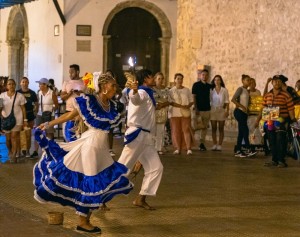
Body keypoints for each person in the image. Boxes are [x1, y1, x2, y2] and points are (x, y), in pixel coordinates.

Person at [33, 73, 133, 233]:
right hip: (91, 146)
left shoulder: (111, 105)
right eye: (113, 85)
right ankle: (82, 222)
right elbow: (71, 115)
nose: (116, 88)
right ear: (104, 86)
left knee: (98, 184)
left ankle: (86, 220)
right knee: (91, 183)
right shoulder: (90, 102)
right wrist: (48, 123)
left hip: (101, 149)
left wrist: (131, 89)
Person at [118, 69, 163, 210]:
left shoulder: (148, 93)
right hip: (137, 135)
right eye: (151, 77)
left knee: (156, 168)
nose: (154, 79)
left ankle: (141, 198)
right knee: (122, 168)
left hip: (146, 137)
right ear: (145, 79)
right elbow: (135, 100)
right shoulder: (142, 92)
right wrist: (135, 91)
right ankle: (99, 196)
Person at [256, 75, 296, 168]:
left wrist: (292, 119)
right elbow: (262, 109)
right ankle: (274, 160)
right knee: (271, 140)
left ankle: (281, 161)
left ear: (281, 83)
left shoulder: (286, 95)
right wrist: (258, 120)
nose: (277, 83)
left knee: (280, 140)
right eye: (275, 81)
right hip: (269, 122)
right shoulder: (267, 96)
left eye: (279, 81)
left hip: (282, 121)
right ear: (272, 83)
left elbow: (290, 109)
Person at [0, 79, 27, 163]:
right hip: (6, 120)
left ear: (15, 85)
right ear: (6, 86)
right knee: (8, 139)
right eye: (9, 84)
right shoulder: (2, 96)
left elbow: (23, 109)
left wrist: (25, 120)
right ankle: (10, 151)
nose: (11, 86)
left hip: (17, 119)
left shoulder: (20, 96)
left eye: (13, 84)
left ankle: (14, 154)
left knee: (14, 137)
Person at [30, 78, 58, 158]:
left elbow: (56, 105)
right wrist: (35, 110)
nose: (39, 85)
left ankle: (50, 150)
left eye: (41, 84)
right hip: (40, 114)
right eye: (39, 84)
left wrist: (51, 110)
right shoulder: (39, 93)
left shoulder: (52, 93)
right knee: (38, 131)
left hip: (49, 115)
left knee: (49, 132)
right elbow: (37, 103)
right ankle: (35, 151)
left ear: (45, 85)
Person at [231, 74, 256, 158]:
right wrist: (242, 106)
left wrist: (247, 110)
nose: (249, 81)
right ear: (243, 81)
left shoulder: (247, 91)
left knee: (241, 132)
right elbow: (233, 99)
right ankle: (248, 149)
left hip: (244, 113)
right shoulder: (240, 89)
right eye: (247, 80)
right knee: (245, 130)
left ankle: (238, 150)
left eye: (249, 80)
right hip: (239, 112)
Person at [169, 73, 194, 155]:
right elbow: (170, 102)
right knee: (176, 131)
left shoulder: (187, 90)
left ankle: (188, 148)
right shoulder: (171, 91)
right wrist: (181, 106)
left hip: (185, 113)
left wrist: (188, 106)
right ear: (175, 80)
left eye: (181, 79)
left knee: (186, 130)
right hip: (175, 113)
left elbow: (191, 100)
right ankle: (178, 148)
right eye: (178, 78)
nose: (180, 80)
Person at [60, 64, 86, 142]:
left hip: (80, 112)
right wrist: (69, 94)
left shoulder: (84, 82)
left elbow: (88, 96)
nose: (70, 74)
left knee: (79, 133)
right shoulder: (66, 83)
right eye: (69, 72)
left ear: (77, 72)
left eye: (72, 72)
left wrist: (80, 93)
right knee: (68, 133)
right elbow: (62, 97)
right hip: (69, 110)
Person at [17, 77, 38, 157]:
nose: (24, 83)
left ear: (28, 83)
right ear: (20, 83)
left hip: (30, 115)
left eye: (26, 82)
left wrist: (35, 111)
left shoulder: (32, 93)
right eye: (23, 82)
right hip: (19, 116)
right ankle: (19, 151)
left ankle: (28, 151)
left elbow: (36, 103)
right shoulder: (17, 92)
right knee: (19, 134)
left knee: (28, 135)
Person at [192, 69, 212, 151]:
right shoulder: (196, 85)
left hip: (207, 109)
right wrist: (196, 107)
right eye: (203, 75)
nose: (205, 76)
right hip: (198, 109)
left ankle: (202, 143)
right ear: (200, 75)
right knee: (195, 126)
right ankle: (190, 142)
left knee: (204, 127)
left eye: (206, 75)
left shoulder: (209, 86)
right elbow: (194, 97)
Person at [210, 75, 229, 151]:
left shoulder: (224, 90)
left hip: (221, 110)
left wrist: (227, 111)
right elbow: (209, 100)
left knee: (221, 128)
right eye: (215, 80)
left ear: (221, 81)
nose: (216, 81)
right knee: (213, 128)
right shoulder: (211, 90)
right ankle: (214, 144)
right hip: (213, 110)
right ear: (214, 81)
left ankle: (220, 145)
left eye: (218, 80)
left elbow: (227, 101)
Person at [153, 72, 170, 155]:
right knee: (153, 130)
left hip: (162, 111)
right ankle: (152, 147)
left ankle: (159, 147)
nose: (160, 80)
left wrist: (163, 104)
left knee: (161, 130)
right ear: (155, 79)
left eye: (162, 79)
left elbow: (169, 101)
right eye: (159, 78)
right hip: (153, 111)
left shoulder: (166, 89)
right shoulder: (151, 89)